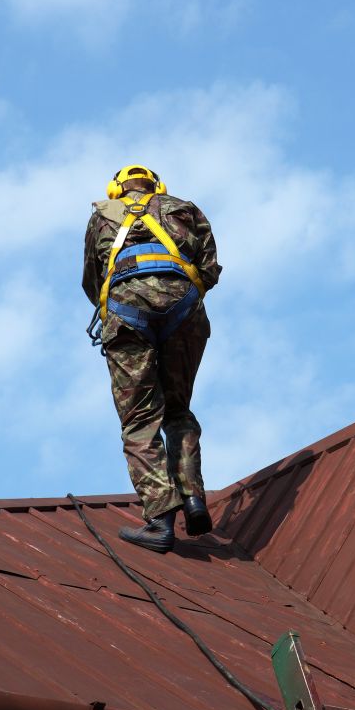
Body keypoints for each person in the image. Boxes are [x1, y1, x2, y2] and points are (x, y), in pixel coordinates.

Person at [83, 164, 221, 554]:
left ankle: (160, 520)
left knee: (140, 419)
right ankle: (193, 499)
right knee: (178, 409)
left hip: (128, 313)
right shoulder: (184, 208)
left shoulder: (100, 216)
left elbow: (94, 284)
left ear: (116, 189)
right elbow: (208, 269)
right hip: (185, 309)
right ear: (157, 186)